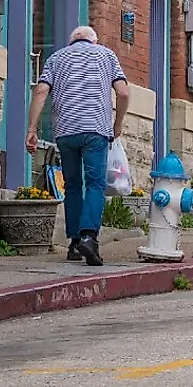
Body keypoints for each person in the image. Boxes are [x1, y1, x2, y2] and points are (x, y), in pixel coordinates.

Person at [31, 25, 131, 267]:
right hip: (95, 130)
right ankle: (89, 236)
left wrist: (32, 129)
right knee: (95, 183)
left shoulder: (57, 57)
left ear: (72, 41)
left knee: (73, 185)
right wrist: (117, 124)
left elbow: (41, 90)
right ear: (93, 41)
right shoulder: (106, 55)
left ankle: (75, 242)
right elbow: (124, 93)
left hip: (65, 132)